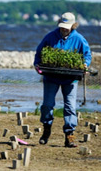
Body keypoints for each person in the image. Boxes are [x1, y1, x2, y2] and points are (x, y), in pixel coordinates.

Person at [34, 12, 91, 148]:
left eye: (67, 27)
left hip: (70, 79)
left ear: (73, 25)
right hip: (51, 77)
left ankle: (69, 135)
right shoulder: (50, 36)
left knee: (70, 107)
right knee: (47, 105)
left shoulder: (79, 39)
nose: (64, 29)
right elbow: (39, 52)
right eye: (62, 26)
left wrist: (85, 64)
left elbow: (87, 55)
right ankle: (46, 129)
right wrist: (37, 64)